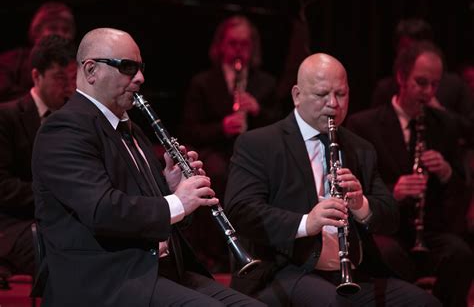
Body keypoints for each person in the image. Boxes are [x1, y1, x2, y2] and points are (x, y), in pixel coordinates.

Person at [32, 27, 264, 307]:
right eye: (128, 68)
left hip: (154, 270)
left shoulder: (132, 129)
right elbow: (102, 210)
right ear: (91, 70)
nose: (140, 78)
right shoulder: (64, 129)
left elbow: (157, 213)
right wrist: (177, 201)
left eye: (140, 68)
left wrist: (171, 187)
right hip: (107, 279)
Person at [223, 52, 441, 306]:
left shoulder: (360, 148)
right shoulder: (259, 144)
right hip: (285, 270)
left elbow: (390, 217)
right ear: (297, 95)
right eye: (321, 95)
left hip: (351, 274)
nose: (333, 104)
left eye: (341, 94)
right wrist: (307, 222)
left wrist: (361, 205)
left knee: (424, 303)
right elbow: (241, 211)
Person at [346, 41, 473, 307]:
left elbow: (462, 189)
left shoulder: (444, 124)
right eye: (421, 82)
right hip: (385, 230)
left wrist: (448, 172)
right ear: (401, 77)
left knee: (460, 253)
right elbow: (353, 189)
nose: (428, 93)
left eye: (435, 85)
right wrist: (395, 190)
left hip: (428, 231)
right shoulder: (364, 125)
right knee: (387, 254)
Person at [179, 15, 277, 272]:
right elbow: (189, 129)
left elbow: (281, 125)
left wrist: (258, 110)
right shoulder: (202, 82)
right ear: (221, 45)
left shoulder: (265, 83)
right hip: (217, 151)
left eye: (244, 44)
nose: (238, 50)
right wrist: (222, 127)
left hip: (254, 154)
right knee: (218, 175)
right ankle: (218, 253)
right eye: (233, 43)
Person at [0, 34, 76, 277]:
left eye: (73, 78)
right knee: (65, 256)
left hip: (63, 219)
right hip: (14, 223)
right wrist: (54, 196)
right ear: (36, 76)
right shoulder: (6, 117)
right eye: (60, 78)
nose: (69, 87)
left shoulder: (75, 120)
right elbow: (2, 186)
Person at [370, 18, 474, 147]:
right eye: (405, 48)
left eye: (434, 84)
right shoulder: (385, 88)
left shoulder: (454, 85)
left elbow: (469, 131)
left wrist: (441, 112)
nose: (429, 91)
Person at [0, 1, 76, 102]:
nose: (60, 34)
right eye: (53, 28)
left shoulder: (77, 65)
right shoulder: (12, 60)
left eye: (66, 30)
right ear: (36, 32)